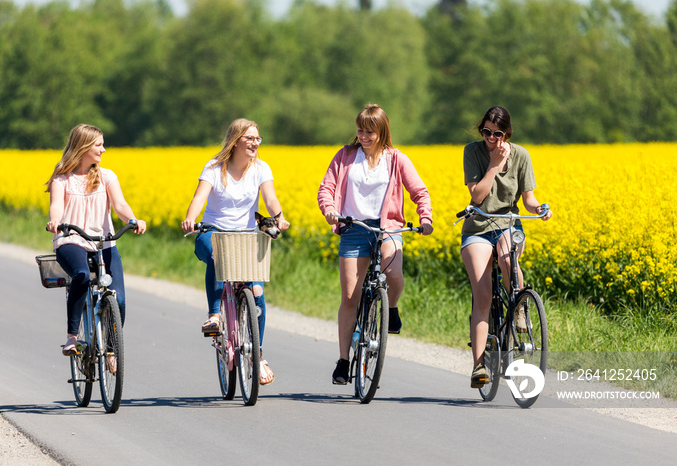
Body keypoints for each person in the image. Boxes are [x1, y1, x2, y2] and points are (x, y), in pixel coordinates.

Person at [317, 103, 434, 385]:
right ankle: (344, 361)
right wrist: (330, 210)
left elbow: (419, 191)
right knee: (349, 297)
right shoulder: (345, 156)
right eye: (360, 130)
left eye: (370, 132)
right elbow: (326, 188)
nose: (364, 136)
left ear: (382, 132)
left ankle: (391, 308)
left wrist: (425, 217)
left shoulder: (396, 159)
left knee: (393, 275)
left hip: (387, 228)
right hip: (354, 228)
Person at [181, 118, 289, 386]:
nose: (254, 143)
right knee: (219, 257)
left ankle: (258, 355)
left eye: (257, 138)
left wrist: (279, 217)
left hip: (245, 237)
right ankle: (215, 316)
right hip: (212, 232)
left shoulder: (261, 168)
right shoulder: (214, 168)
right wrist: (190, 219)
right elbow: (199, 198)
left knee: (257, 293)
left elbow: (271, 199)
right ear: (236, 140)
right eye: (249, 138)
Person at [460, 106, 552, 388]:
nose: (490, 137)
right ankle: (478, 366)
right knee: (483, 294)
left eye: (496, 133)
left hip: (508, 224)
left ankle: (520, 307)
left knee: (508, 259)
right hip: (478, 226)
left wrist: (541, 208)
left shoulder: (521, 155)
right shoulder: (473, 152)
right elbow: (477, 195)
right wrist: (494, 165)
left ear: (507, 134)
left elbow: (529, 200)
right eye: (485, 131)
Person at [45, 124, 147, 359]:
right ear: (84, 147)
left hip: (104, 242)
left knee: (118, 299)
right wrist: (55, 221)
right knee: (81, 274)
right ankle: (72, 337)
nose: (104, 149)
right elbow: (56, 206)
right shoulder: (62, 180)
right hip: (71, 239)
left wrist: (133, 219)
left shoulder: (106, 176)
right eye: (99, 145)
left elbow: (120, 205)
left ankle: (111, 349)